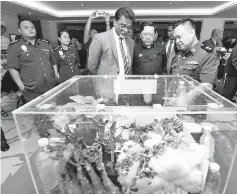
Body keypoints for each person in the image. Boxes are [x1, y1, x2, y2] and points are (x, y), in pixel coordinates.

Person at [7, 18, 57, 103]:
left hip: (51, 85)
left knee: (53, 109)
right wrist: (20, 85)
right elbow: (12, 68)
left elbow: (53, 62)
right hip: (31, 89)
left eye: (32, 27)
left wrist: (56, 76)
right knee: (37, 113)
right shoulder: (15, 46)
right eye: (26, 27)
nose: (30, 29)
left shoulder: (45, 44)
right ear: (19, 30)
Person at [170, 18, 219, 90]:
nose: (177, 41)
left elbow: (207, 85)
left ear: (192, 33)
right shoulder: (179, 55)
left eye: (179, 37)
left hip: (194, 100)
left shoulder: (207, 54)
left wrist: (184, 98)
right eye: (175, 38)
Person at [88, 7, 135, 75]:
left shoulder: (131, 42)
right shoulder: (100, 38)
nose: (126, 30)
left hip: (126, 84)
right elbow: (92, 67)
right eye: (123, 26)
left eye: (129, 27)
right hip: (107, 84)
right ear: (114, 22)